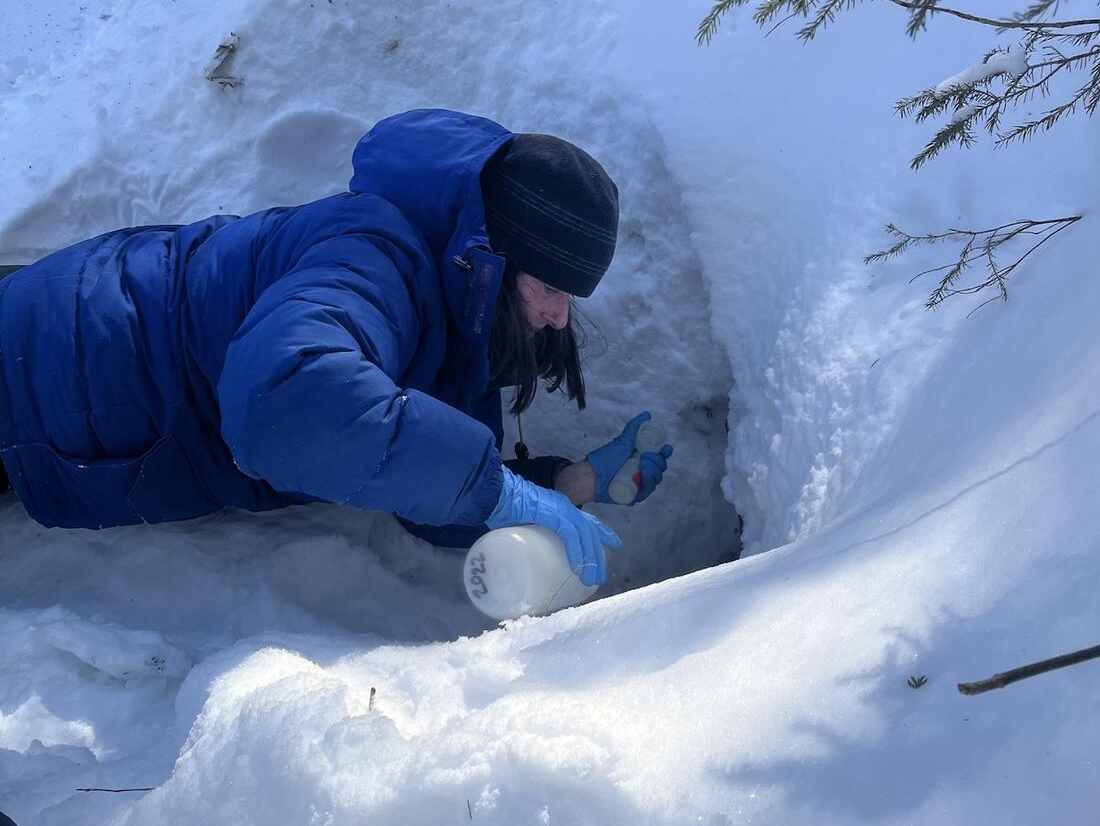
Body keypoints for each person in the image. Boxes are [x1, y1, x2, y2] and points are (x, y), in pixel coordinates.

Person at [0, 108, 672, 588]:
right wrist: (494, 489)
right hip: (39, 372)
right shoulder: (373, 258)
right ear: (494, 255)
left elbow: (418, 478)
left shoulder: (455, 296)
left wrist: (568, 483)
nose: (558, 318)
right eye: (550, 285)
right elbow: (283, 402)